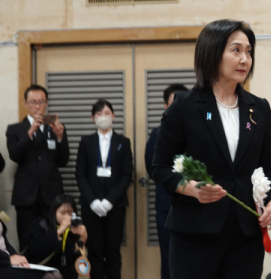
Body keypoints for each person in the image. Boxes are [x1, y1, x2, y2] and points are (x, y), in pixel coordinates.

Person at [151, 19, 271, 279]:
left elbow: (267, 166)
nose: (245, 59)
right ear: (212, 53)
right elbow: (159, 166)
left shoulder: (259, 108)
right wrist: (192, 189)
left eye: (249, 52)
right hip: (195, 235)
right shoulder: (184, 106)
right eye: (236, 50)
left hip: (245, 236)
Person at [6, 84, 70, 251]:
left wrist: (60, 136)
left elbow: (63, 160)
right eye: (33, 102)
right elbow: (14, 155)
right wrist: (31, 131)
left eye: (41, 101)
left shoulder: (54, 128)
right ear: (25, 104)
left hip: (51, 196)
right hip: (26, 196)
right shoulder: (15, 129)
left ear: (46, 103)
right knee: (27, 241)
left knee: (52, 239)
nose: (37, 106)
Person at [75, 99, 133, 279]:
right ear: (93, 118)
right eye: (99, 114)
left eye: (107, 113)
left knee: (113, 251)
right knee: (94, 251)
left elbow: (126, 175)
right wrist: (92, 201)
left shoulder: (123, 142)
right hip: (90, 206)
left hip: (114, 205)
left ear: (114, 116)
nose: (103, 117)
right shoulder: (86, 142)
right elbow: (80, 174)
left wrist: (108, 202)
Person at [145, 83, 188, 279]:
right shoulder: (157, 134)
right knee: (168, 254)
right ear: (165, 107)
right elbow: (152, 166)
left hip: (195, 204)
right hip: (166, 204)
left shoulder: (198, 131)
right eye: (174, 103)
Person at [27, 194, 87, 279]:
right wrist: (58, 232)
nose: (67, 217)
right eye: (62, 213)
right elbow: (35, 249)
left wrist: (81, 240)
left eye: (70, 213)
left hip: (62, 273)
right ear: (54, 212)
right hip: (40, 269)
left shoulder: (74, 230)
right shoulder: (40, 224)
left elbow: (73, 262)